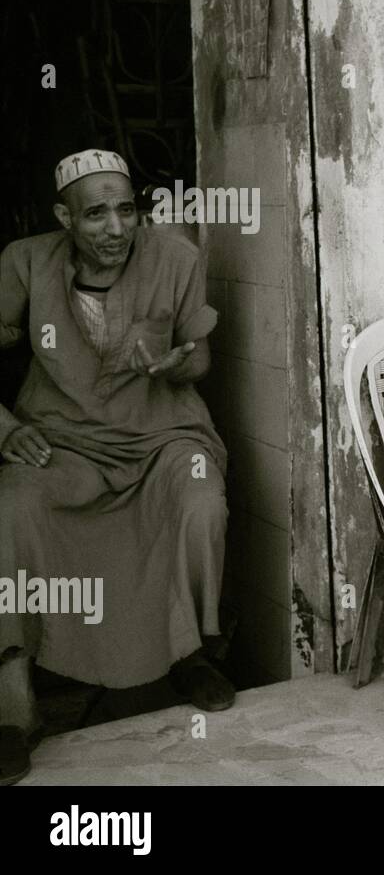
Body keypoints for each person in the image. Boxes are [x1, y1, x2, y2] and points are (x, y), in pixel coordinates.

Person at [0, 150, 231, 785]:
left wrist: (174, 364)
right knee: (13, 505)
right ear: (64, 218)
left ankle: (192, 653)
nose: (114, 227)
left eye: (126, 209)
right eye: (95, 213)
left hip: (162, 435)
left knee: (201, 496)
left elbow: (201, 359)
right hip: (65, 441)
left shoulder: (176, 255)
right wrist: (6, 429)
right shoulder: (25, 262)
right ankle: (14, 704)